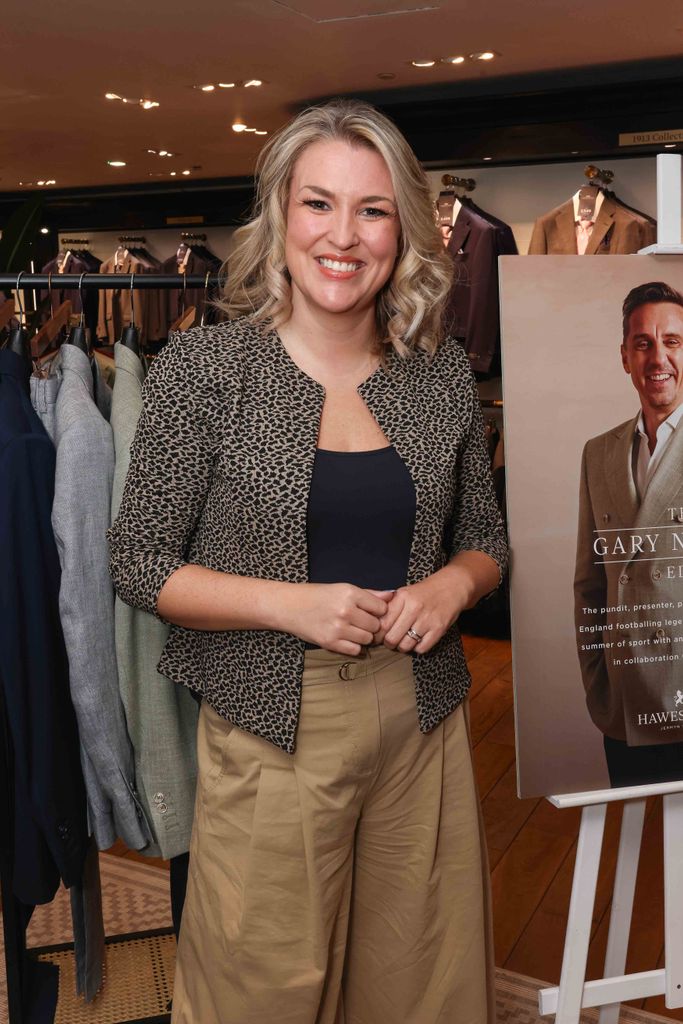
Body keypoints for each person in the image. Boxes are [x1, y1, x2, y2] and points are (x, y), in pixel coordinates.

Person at [109, 99, 507, 1024]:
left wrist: (453, 584)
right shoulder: (205, 371)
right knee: (260, 989)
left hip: (423, 721)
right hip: (271, 726)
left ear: (402, 227)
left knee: (423, 986)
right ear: (279, 216)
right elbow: (138, 560)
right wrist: (290, 606)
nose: (343, 236)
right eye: (317, 203)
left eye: (370, 210)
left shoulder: (438, 372)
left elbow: (487, 539)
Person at [574, 281, 683, 789]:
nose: (657, 357)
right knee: (638, 841)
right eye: (643, 343)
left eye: (673, 342)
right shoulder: (598, 452)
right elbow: (589, 583)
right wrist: (600, 683)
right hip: (625, 708)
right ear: (624, 356)